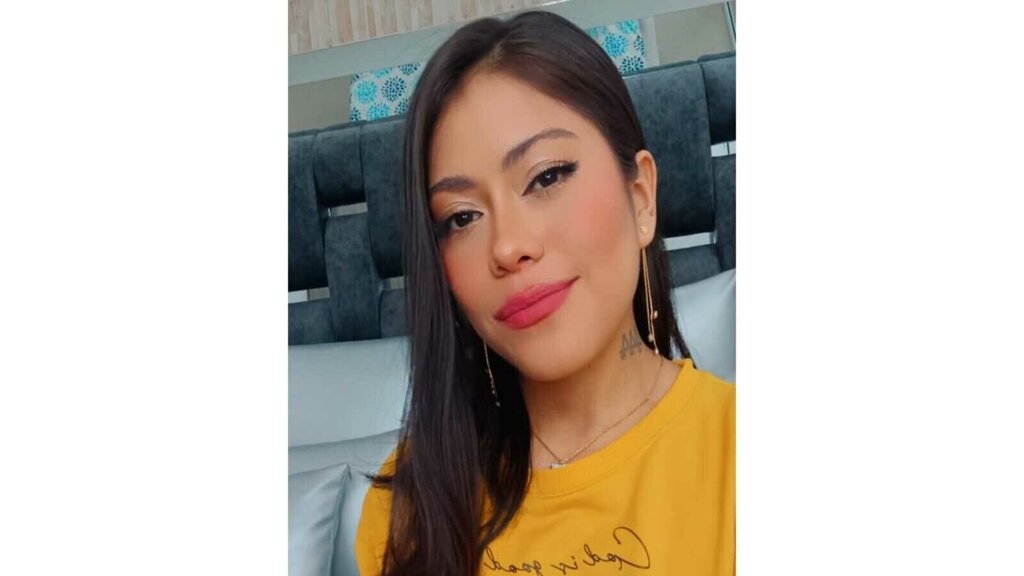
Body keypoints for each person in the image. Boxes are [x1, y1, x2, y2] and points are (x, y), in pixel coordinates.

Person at [354, 10, 734, 575]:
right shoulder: (409, 505)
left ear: (641, 197)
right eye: (462, 217)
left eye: (547, 176)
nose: (508, 247)